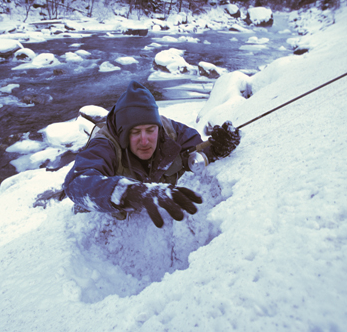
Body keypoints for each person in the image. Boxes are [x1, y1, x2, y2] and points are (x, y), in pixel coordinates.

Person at [64, 81, 240, 228]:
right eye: (135, 132)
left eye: (150, 130)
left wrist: (217, 148)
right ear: (123, 133)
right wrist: (127, 191)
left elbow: (196, 153)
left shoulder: (171, 132)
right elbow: (76, 182)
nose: (145, 140)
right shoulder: (105, 144)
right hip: (105, 224)